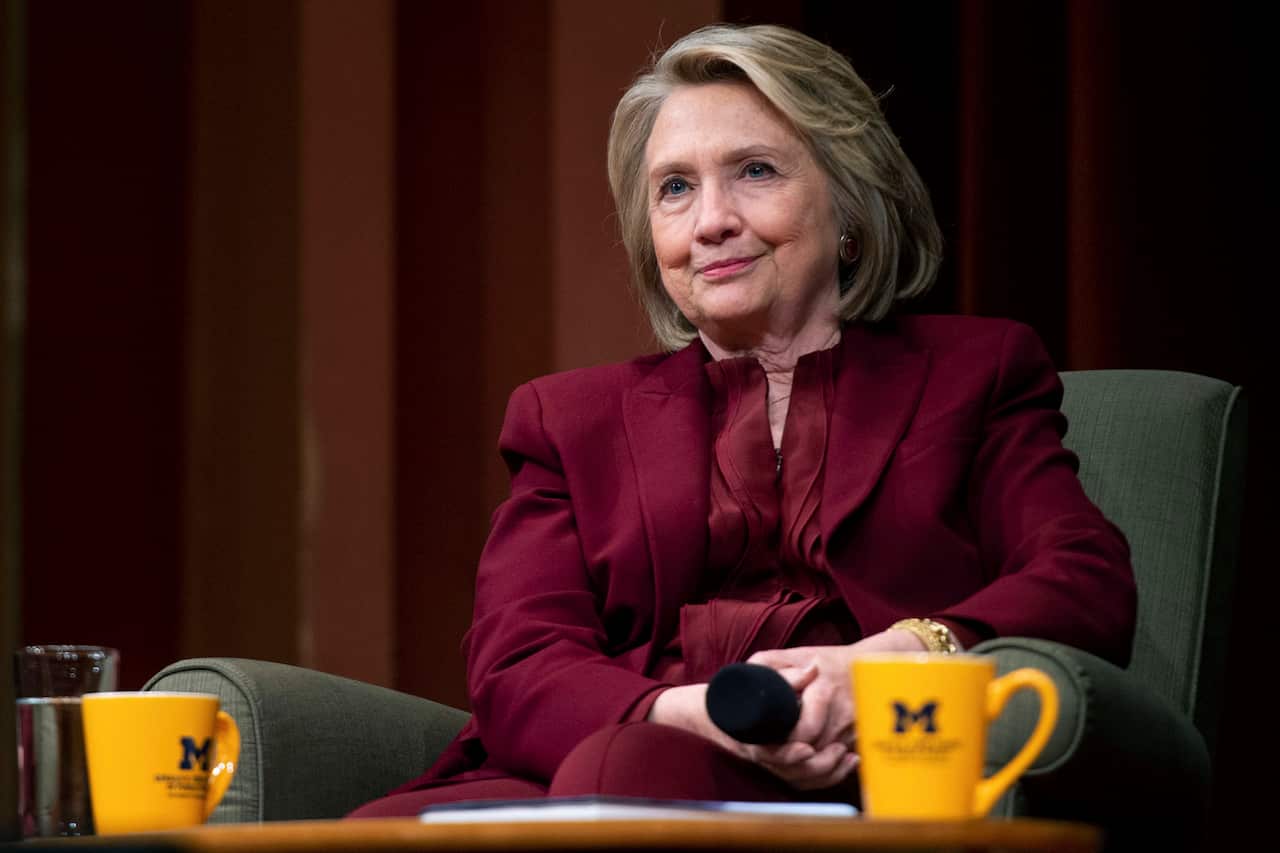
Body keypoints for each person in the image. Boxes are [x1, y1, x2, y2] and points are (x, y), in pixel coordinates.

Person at [349, 22, 1135, 817]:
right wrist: (693, 714)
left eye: (755, 171)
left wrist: (895, 660)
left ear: (851, 205)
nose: (710, 221)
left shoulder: (978, 372)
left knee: (633, 771)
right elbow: (517, 661)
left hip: (874, 772)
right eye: (675, 188)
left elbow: (1082, 579)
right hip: (599, 761)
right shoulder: (566, 418)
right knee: (377, 831)